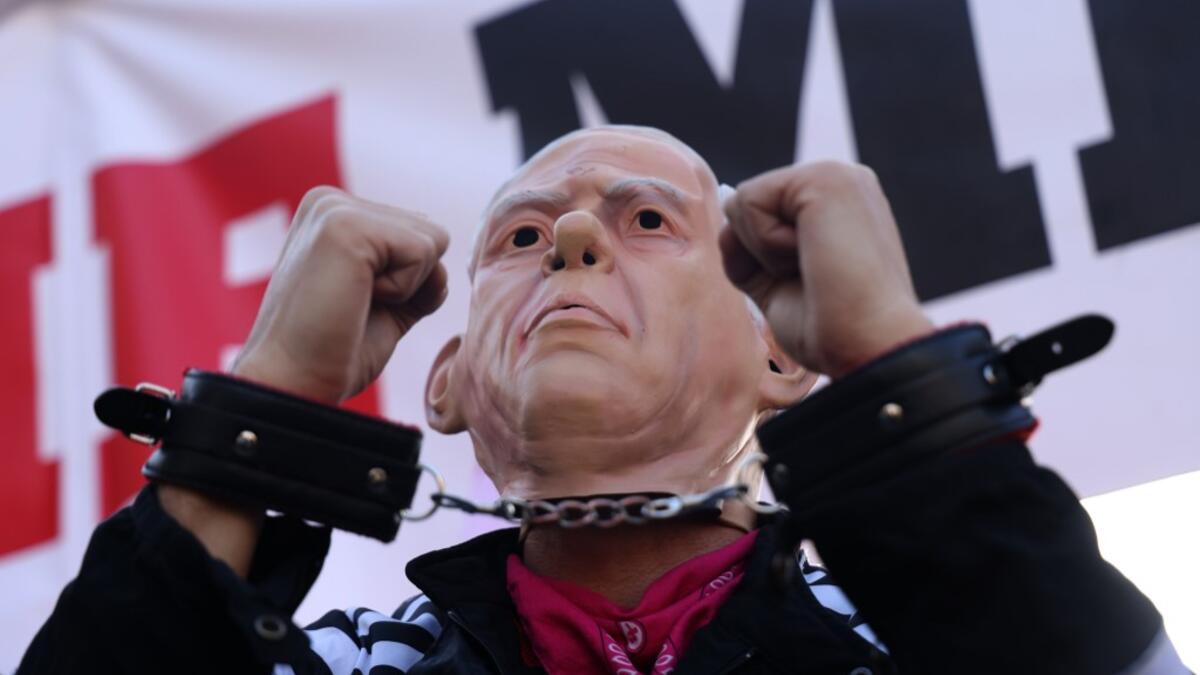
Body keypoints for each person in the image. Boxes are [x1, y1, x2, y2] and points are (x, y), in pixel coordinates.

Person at [17, 126, 1186, 674]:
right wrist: (266, 406)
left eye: (646, 221)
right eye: (522, 236)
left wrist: (891, 359)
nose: (572, 235)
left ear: (783, 362)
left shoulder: (937, 644)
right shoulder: (334, 674)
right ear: (448, 383)